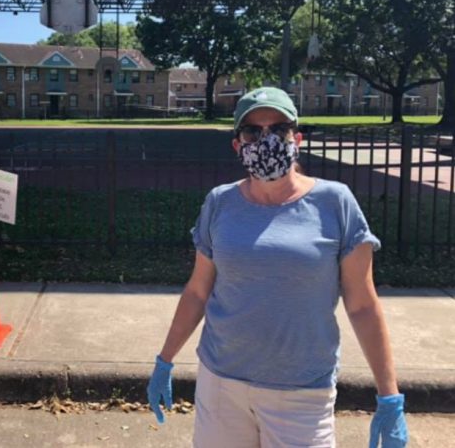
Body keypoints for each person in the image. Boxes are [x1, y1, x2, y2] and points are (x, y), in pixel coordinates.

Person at [147, 87, 408, 448]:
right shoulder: (220, 202)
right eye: (253, 131)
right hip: (222, 384)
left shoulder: (335, 202)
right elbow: (198, 290)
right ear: (237, 144)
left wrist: (389, 394)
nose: (265, 139)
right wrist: (165, 360)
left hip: (302, 393)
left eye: (278, 128)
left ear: (296, 138)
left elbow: (362, 305)